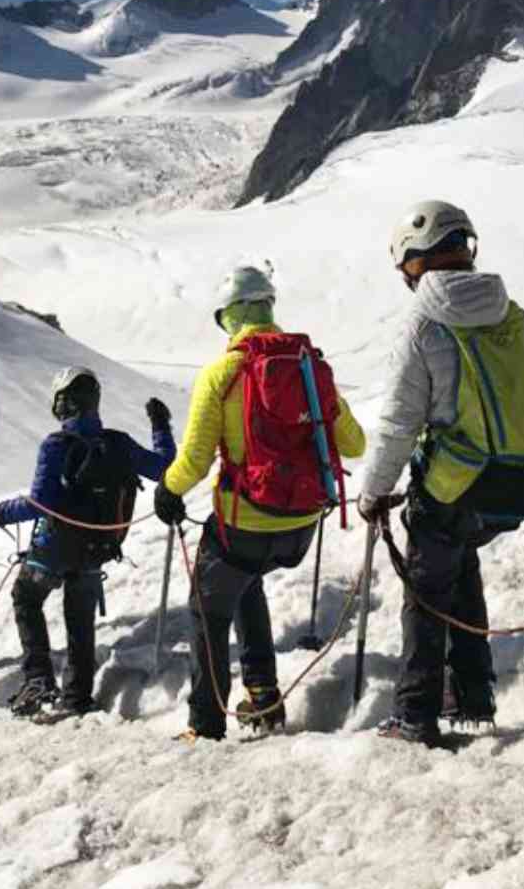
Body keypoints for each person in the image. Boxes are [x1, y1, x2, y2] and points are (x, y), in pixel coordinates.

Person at [357, 202, 524, 745]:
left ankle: (414, 713)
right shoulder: (519, 318)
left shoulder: (424, 326)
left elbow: (400, 422)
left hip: (452, 484)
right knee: (459, 563)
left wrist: (373, 492)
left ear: (415, 262)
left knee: (425, 588)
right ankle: (473, 693)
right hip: (515, 485)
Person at [151, 264, 367, 742]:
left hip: (245, 522)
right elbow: (354, 444)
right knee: (246, 585)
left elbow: (195, 459)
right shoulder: (310, 365)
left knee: (207, 610)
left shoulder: (222, 373)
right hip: (302, 524)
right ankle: (264, 698)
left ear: (229, 316)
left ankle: (204, 724)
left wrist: (168, 489)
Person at [0, 367, 173, 722]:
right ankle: (77, 697)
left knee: (26, 598)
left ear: (62, 404)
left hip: (53, 548)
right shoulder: (119, 443)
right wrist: (160, 426)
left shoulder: (57, 445)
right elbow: (165, 468)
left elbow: (39, 503)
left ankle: (38, 679)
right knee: (80, 621)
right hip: (97, 549)